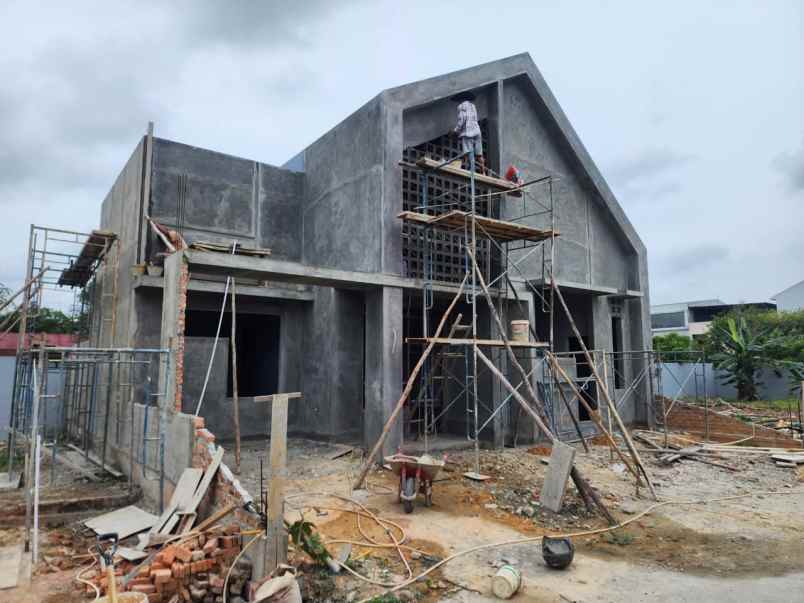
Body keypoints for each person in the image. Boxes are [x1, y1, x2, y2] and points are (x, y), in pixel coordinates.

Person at [453, 94, 484, 172]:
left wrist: (455, 131)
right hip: (477, 131)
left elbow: (461, 121)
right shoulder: (473, 106)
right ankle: (483, 172)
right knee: (479, 154)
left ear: (460, 99)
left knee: (468, 153)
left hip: (468, 133)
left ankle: (471, 171)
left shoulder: (461, 106)